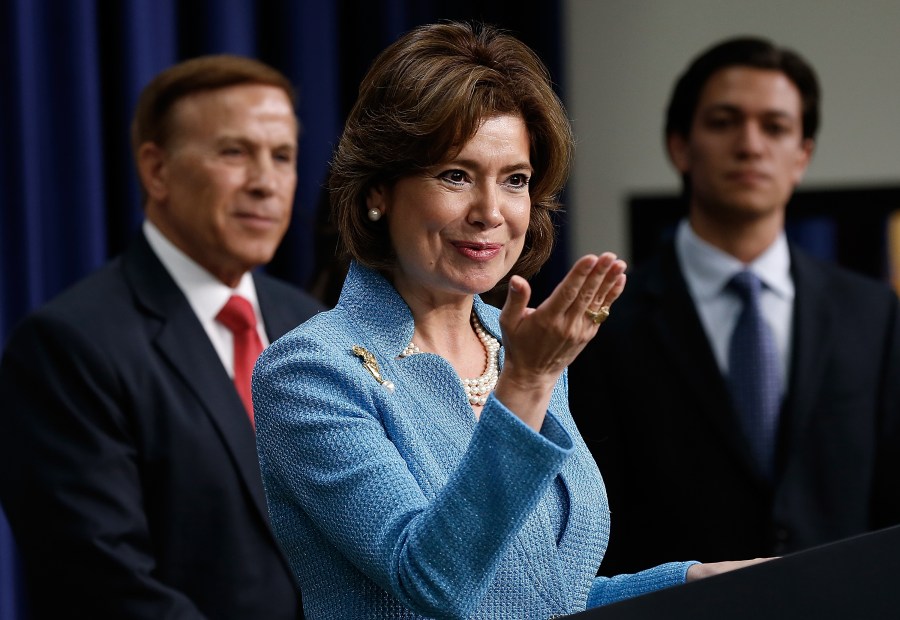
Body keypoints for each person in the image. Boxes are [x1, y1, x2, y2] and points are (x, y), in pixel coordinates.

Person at [252, 22, 763, 619]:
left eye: (515, 180)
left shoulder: (513, 345)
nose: (491, 212)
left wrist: (695, 581)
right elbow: (433, 581)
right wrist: (526, 383)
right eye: (455, 175)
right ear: (378, 192)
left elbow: (541, 601)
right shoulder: (311, 371)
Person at [0, 55, 323, 618]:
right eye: (234, 152)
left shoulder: (311, 324)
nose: (266, 183)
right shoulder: (68, 346)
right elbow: (104, 588)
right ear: (156, 170)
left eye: (283, 157)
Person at [569, 36, 900, 576]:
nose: (750, 145)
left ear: (802, 156)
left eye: (775, 127)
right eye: (724, 122)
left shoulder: (873, 314)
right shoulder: (605, 319)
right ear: (680, 146)